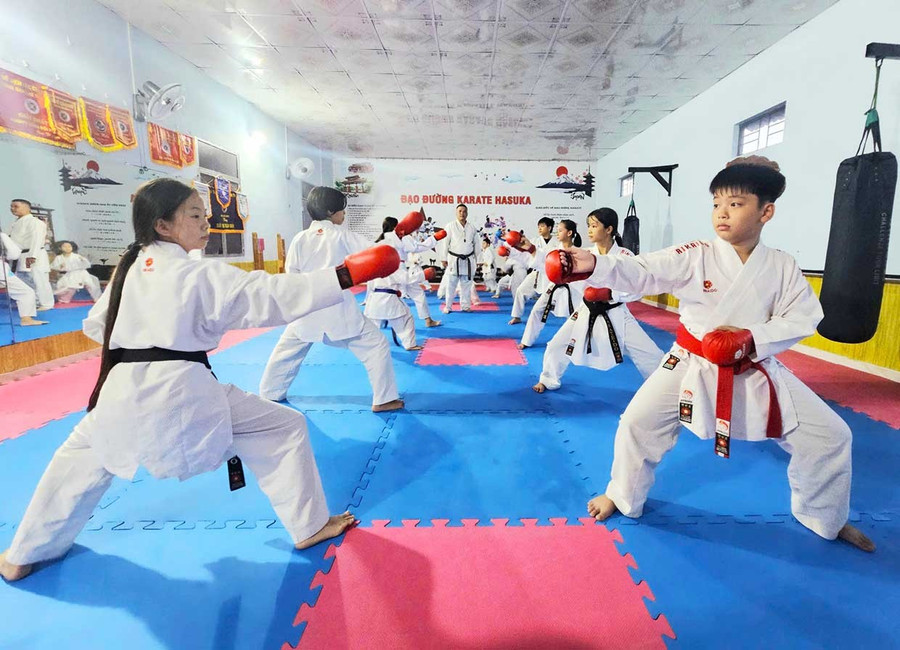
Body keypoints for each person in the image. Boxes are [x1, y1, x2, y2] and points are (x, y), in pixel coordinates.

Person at [0, 178, 402, 582]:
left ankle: (23, 553)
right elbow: (271, 294)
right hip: (182, 388)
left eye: (205, 215)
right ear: (163, 225)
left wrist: (150, 333)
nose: (205, 223)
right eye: (195, 215)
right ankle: (310, 525)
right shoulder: (195, 273)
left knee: (77, 463)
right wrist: (344, 277)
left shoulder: (129, 266)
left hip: (119, 388)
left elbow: (97, 326)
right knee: (285, 427)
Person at [546, 156, 874, 552]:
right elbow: (645, 270)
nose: (722, 213)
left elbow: (805, 316)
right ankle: (621, 495)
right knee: (636, 423)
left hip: (754, 365)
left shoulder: (781, 265)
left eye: (735, 204)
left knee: (833, 435)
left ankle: (825, 517)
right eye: (717, 204)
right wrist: (592, 263)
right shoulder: (697, 253)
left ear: (766, 212)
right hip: (690, 361)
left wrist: (751, 338)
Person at [258, 187, 405, 411]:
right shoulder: (342, 235)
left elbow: (292, 273)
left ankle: (269, 393)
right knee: (376, 345)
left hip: (305, 306)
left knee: (286, 352)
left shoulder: (300, 238)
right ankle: (384, 399)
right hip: (337, 307)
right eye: (341, 210)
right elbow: (378, 252)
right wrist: (397, 237)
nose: (343, 214)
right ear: (330, 211)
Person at [532, 208, 663, 393]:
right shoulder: (584, 253)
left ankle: (662, 390)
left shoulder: (625, 256)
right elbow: (548, 264)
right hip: (586, 310)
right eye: (588, 226)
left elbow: (637, 290)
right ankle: (548, 379)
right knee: (556, 345)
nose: (589, 230)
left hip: (617, 311)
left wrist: (610, 294)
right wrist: (530, 251)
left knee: (650, 354)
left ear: (609, 229)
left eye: (594, 226)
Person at [518, 219, 584, 349]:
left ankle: (579, 343)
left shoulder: (579, 252)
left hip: (572, 288)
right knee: (537, 310)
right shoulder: (554, 250)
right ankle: (526, 340)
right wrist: (530, 248)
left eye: (560, 230)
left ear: (569, 233)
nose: (557, 233)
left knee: (577, 316)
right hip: (554, 286)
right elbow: (542, 257)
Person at [364, 214, 427, 351]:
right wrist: (424, 274)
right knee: (407, 318)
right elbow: (406, 279)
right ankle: (410, 344)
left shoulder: (377, 253)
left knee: (372, 328)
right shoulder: (392, 261)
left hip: (374, 301)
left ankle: (369, 347)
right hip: (389, 300)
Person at [8, 199, 53, 310]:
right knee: (25, 280)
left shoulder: (35, 221)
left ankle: (46, 303)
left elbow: (37, 240)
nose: (12, 209)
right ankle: (33, 301)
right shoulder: (15, 222)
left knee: (39, 279)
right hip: (21, 255)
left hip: (34, 253)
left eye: (16, 206)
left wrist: (32, 256)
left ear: (27, 207)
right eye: (11, 206)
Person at [509, 217, 555, 324]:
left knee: (553, 298)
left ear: (549, 228)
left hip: (551, 275)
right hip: (537, 273)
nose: (539, 228)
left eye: (542, 226)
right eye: (538, 226)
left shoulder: (556, 242)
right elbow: (524, 253)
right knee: (521, 291)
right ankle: (517, 316)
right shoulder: (534, 241)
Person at [0, 229, 46, 326]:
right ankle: (26, 319)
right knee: (25, 292)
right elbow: (14, 254)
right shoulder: (2, 236)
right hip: (1, 270)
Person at [441, 204, 478, 313]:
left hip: (468, 260)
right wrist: (443, 258)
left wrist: (479, 259)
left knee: (466, 285)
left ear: (467, 213)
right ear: (456, 213)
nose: (462, 213)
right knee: (451, 285)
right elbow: (445, 243)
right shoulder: (450, 226)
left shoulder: (472, 228)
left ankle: (465, 306)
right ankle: (448, 306)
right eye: (460, 211)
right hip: (454, 260)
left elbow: (477, 245)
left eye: (464, 211)